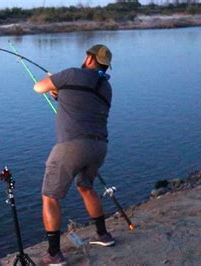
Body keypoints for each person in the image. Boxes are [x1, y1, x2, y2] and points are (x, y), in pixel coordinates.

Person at [33, 44, 115, 265]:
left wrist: (55, 81)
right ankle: (102, 235)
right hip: (99, 147)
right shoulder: (105, 88)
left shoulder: (71, 74)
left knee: (49, 197)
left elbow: (38, 87)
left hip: (72, 146)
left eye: (86, 56)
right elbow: (83, 104)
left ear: (89, 59)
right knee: (86, 187)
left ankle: (54, 254)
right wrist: (60, 93)